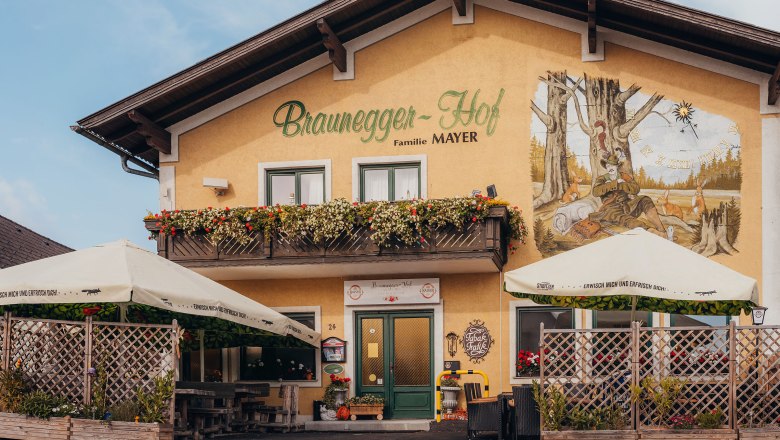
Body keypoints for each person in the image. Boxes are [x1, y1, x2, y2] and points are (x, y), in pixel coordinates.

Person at [589, 153, 666, 237]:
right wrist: (614, 183)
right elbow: (595, 191)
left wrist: (622, 184)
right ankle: (652, 232)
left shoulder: (624, 176)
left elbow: (636, 188)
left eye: (612, 165)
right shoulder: (602, 179)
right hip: (611, 208)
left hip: (628, 205)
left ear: (617, 166)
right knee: (625, 219)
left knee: (645, 199)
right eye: (608, 166)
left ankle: (661, 229)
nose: (610, 168)